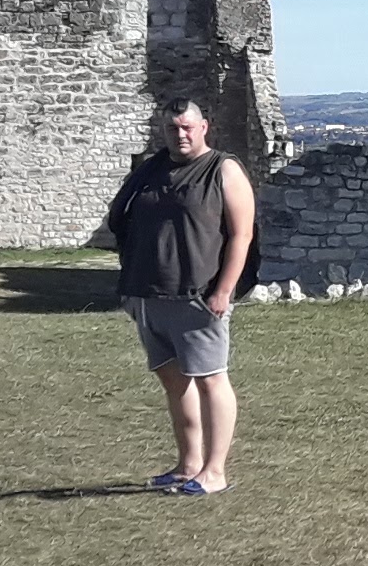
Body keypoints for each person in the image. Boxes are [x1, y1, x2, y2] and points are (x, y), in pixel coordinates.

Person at [103, 99, 255, 496]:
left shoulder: (223, 169)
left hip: (198, 296)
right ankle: (188, 464)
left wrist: (224, 291)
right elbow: (124, 221)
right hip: (149, 293)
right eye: (173, 128)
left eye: (187, 127)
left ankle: (215, 471)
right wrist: (132, 292)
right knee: (174, 381)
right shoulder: (150, 170)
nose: (180, 134)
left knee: (211, 380)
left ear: (204, 127)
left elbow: (242, 235)